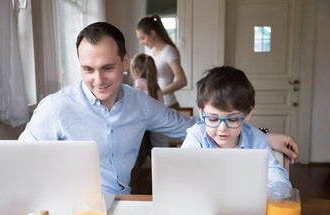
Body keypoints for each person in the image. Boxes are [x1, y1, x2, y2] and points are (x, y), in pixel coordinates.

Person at [19, 22, 299, 194]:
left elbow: (196, 126)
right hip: (71, 210)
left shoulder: (139, 103)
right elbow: (18, 162)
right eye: (87, 69)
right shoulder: (55, 108)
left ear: (125, 62)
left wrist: (260, 134)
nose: (98, 79)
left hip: (122, 205)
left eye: (107, 68)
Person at [182, 66, 292, 188]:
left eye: (232, 119)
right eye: (213, 119)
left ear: (248, 113)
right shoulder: (196, 137)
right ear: (201, 113)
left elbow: (281, 182)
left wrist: (256, 194)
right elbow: (182, 178)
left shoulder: (257, 140)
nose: (222, 128)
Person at [136, 15, 187, 108]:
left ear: (152, 33)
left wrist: (158, 93)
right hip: (154, 104)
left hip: (168, 105)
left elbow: (182, 81)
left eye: (143, 38)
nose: (141, 42)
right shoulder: (150, 52)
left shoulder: (168, 51)